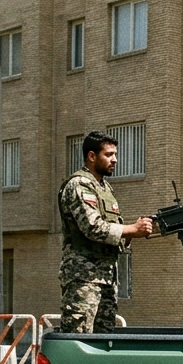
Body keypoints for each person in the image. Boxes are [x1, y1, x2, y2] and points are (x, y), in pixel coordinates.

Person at [58, 131, 154, 333]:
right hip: (84, 278)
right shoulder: (79, 184)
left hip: (106, 277)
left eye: (115, 154)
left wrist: (131, 234)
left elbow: (112, 230)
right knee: (79, 336)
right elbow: (92, 227)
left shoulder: (104, 188)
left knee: (103, 338)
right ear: (92, 156)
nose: (115, 160)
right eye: (109, 154)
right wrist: (131, 229)